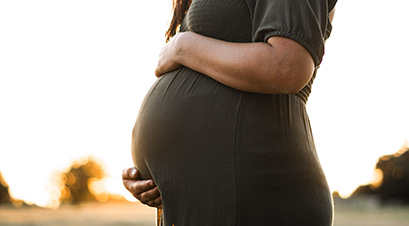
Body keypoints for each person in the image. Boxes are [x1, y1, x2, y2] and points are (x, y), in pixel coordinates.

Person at [124, 0, 337, 225]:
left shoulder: (183, 46)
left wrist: (183, 46)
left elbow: (288, 65)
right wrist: (155, 176)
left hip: (255, 193)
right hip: (215, 197)